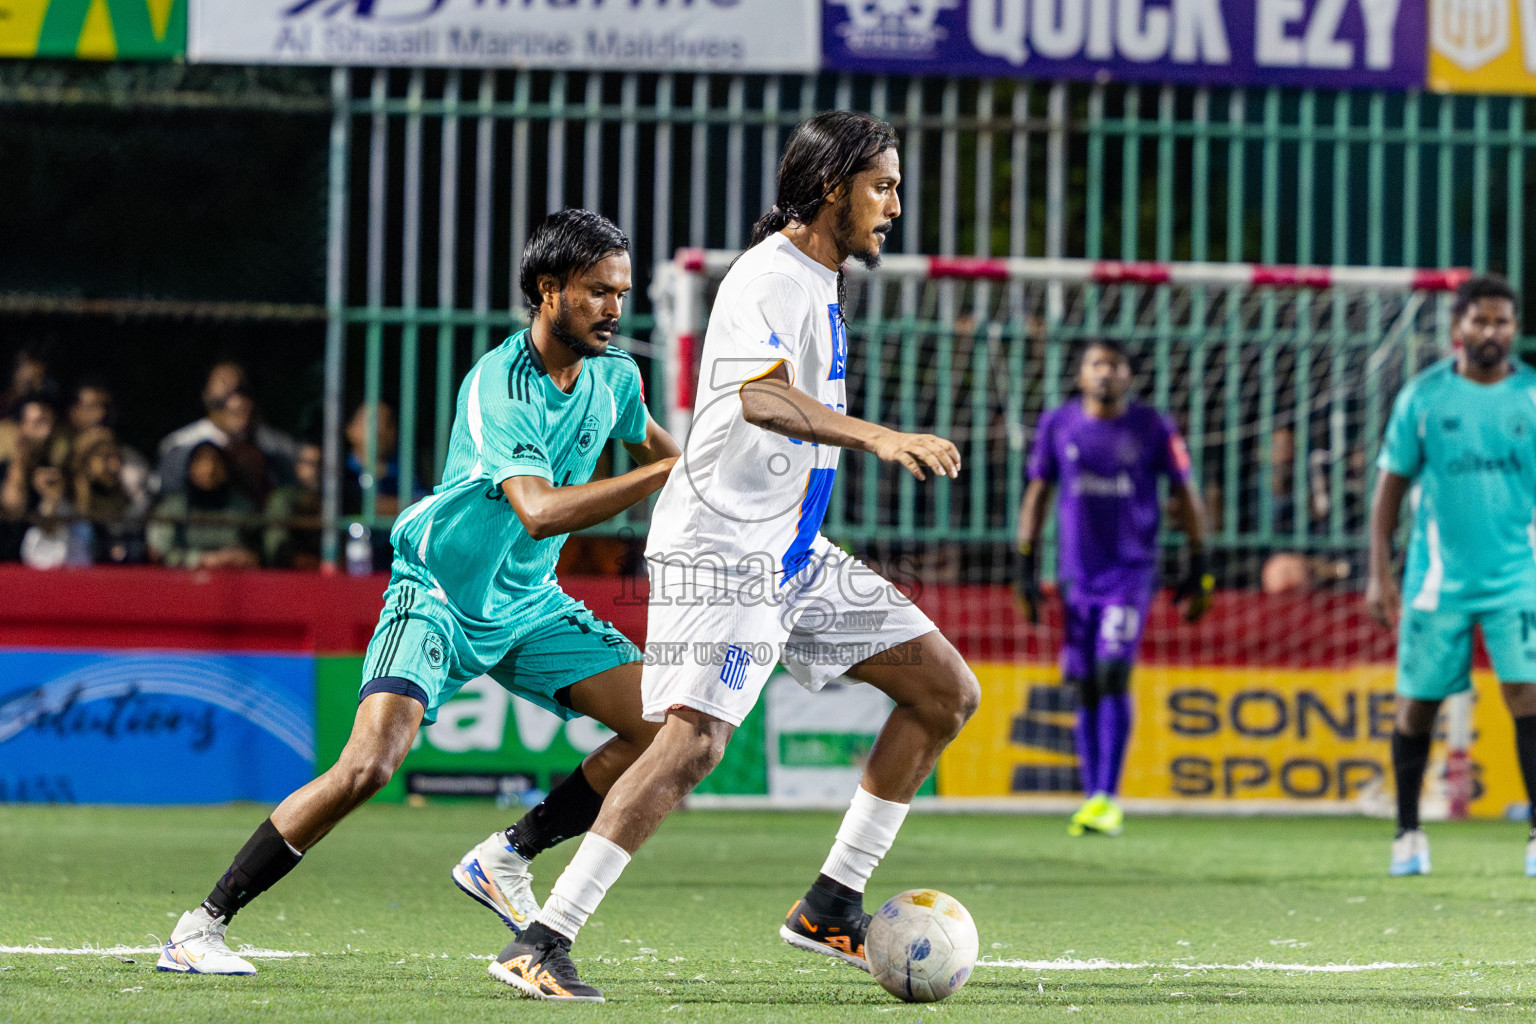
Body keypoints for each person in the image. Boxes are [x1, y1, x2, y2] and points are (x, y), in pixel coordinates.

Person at [488, 111, 979, 1004]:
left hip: (791, 551)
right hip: (720, 551)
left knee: (945, 690)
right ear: (831, 187)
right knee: (692, 743)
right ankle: (542, 938)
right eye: (883, 185)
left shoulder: (819, 279)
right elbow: (761, 400)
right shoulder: (769, 277)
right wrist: (878, 436)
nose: (896, 205)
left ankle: (831, 903)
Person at [156, 208, 681, 977]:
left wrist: (723, 468)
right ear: (547, 290)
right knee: (368, 767)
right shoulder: (499, 385)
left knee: (664, 726)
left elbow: (675, 462)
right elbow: (537, 510)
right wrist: (668, 472)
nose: (613, 309)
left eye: (621, 293)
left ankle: (507, 856)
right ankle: (199, 927)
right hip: (436, 592)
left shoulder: (616, 379)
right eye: (598, 292)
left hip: (530, 605)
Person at [1366, 274, 1536, 878]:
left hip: (1518, 574)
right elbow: (1390, 490)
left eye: (1503, 322)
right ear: (1458, 326)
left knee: (1527, 695)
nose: (1493, 331)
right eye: (1481, 320)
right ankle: (1408, 834)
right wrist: (1378, 575)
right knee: (1418, 706)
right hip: (1437, 579)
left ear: (1514, 329)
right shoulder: (1424, 396)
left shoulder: (1533, 397)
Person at [1014, 339, 1212, 837]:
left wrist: (1200, 560)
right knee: (1083, 681)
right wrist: (1023, 563)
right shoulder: (1059, 424)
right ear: (1081, 376)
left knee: (1111, 672)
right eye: (1096, 364)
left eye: (1115, 365)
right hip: (1076, 575)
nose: (1105, 373)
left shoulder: (1152, 427)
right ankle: (1092, 797)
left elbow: (1185, 492)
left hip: (1129, 572)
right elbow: (1038, 492)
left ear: (1129, 376)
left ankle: (1108, 796)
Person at [146, 441, 261, 569]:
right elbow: (159, 550)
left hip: (233, 579)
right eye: (200, 462)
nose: (209, 469)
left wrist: (245, 556)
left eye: (216, 461)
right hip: (181, 580)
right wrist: (200, 559)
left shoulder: (242, 506)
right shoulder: (173, 507)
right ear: (190, 468)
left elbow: (259, 546)